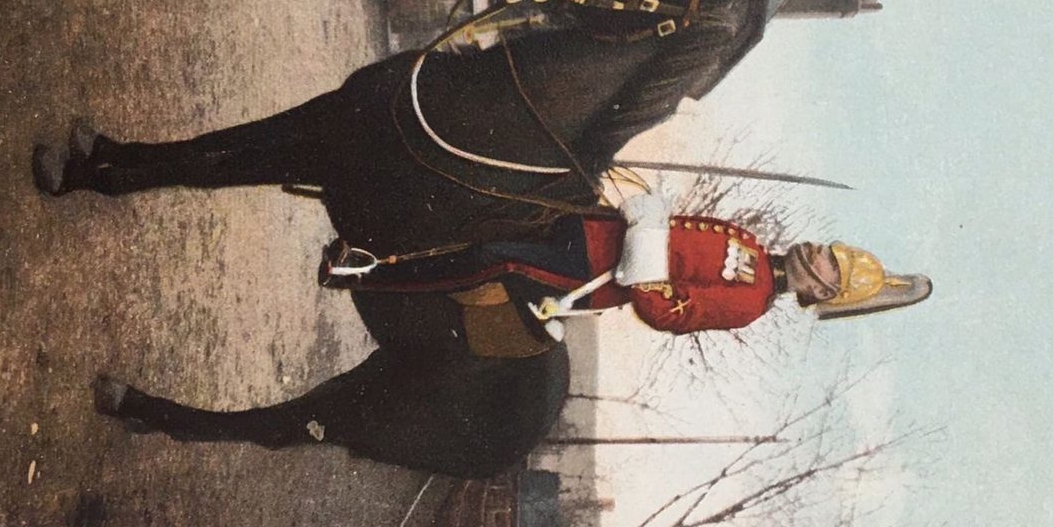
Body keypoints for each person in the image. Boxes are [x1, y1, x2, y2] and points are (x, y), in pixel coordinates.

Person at [321, 193, 932, 337]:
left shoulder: (748, 305)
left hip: (590, 273)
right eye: (827, 248)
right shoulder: (749, 239)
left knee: (494, 257)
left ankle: (365, 273)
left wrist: (644, 245)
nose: (817, 251)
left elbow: (666, 311)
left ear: (820, 292)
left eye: (827, 263)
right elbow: (674, 224)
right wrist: (648, 211)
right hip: (597, 228)